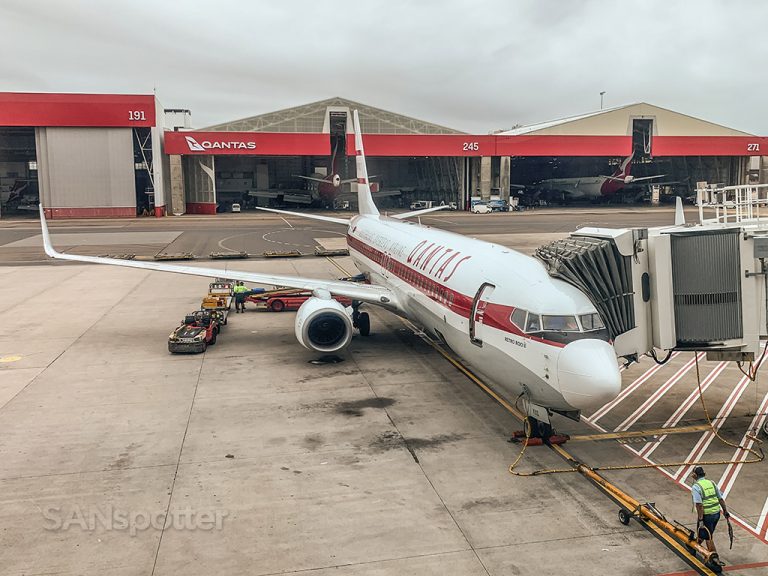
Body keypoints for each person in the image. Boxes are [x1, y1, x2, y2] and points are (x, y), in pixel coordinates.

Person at [691, 466, 729, 562]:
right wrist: (725, 511)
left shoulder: (696, 487)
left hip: (707, 515)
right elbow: (720, 498)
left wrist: (700, 519)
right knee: (705, 533)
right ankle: (694, 545)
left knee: (708, 537)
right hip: (716, 513)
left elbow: (699, 505)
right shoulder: (711, 483)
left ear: (695, 475)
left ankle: (714, 559)